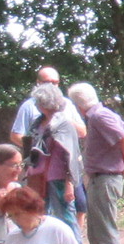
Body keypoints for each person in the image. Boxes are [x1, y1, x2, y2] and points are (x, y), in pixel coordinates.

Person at [69, 81, 124, 244]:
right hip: (99, 178)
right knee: (95, 231)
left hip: (107, 177)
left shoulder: (99, 117)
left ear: (78, 105)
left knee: (105, 230)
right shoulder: (100, 115)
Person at [28, 83, 84, 226]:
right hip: (38, 177)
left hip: (59, 178)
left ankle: (73, 242)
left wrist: (69, 184)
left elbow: (71, 155)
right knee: (40, 218)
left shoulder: (64, 124)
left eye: (38, 102)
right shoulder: (37, 124)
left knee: (66, 219)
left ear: (44, 104)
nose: (36, 105)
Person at [9, 67, 65, 150]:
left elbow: (82, 132)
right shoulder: (29, 106)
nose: (50, 86)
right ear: (38, 82)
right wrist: (37, 148)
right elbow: (16, 136)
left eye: (54, 82)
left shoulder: (67, 103)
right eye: (46, 82)